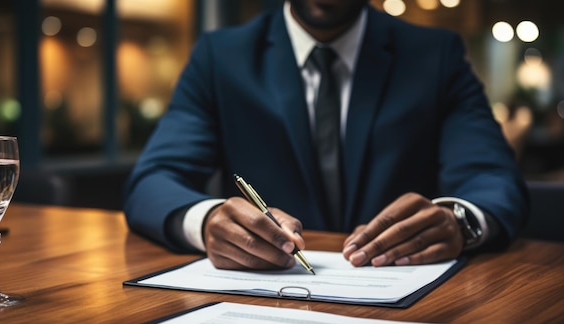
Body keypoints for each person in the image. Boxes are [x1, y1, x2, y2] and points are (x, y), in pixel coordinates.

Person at [124, 0, 528, 271]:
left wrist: (459, 221)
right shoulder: (220, 57)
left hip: (409, 298)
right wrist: (208, 219)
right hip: (265, 297)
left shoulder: (434, 54)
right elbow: (153, 182)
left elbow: (492, 177)